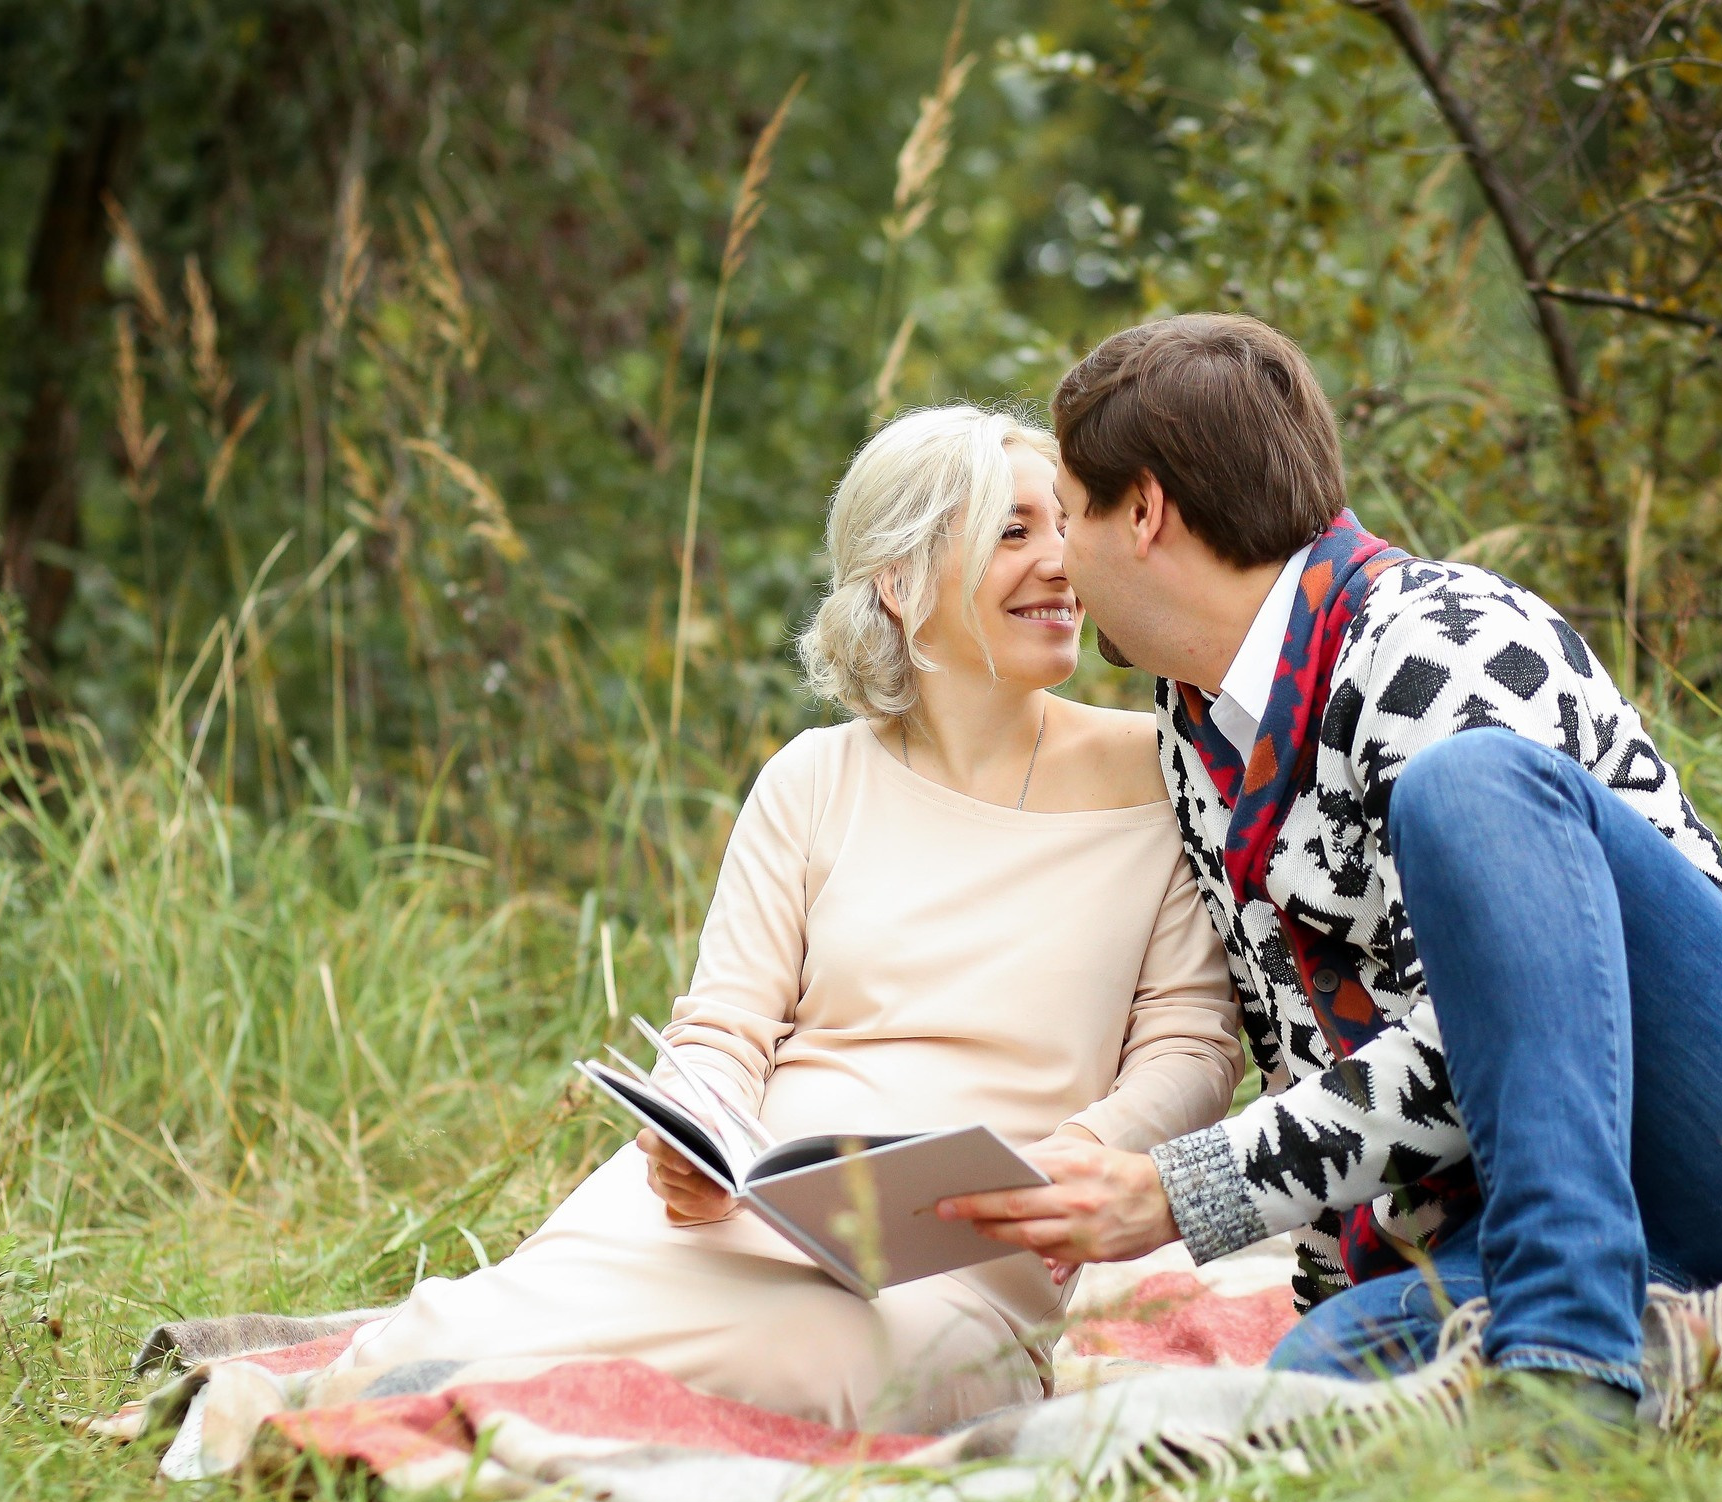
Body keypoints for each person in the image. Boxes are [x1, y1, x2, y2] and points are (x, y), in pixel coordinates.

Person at [940, 313, 1722, 1413]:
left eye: (1072, 514)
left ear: (1141, 512)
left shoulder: (1442, 641)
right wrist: (1331, 1296)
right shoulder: (1195, 728)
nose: (1063, 561)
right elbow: (1308, 1045)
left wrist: (1182, 1190)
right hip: (1517, 1212)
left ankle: (1562, 1362)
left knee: (1474, 783)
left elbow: (1487, 1033)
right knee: (1321, 1384)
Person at [273, 405, 1243, 1435]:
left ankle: (518, 1415)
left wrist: (1082, 1159)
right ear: (901, 582)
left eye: (1065, 526)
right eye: (1013, 533)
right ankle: (459, 1391)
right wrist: (693, 1139)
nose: (1061, 564)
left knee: (821, 1371)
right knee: (447, 1334)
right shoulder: (813, 778)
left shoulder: (1165, 769)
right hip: (759, 1200)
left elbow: (1192, 1045)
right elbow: (726, 1024)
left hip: (970, 1242)